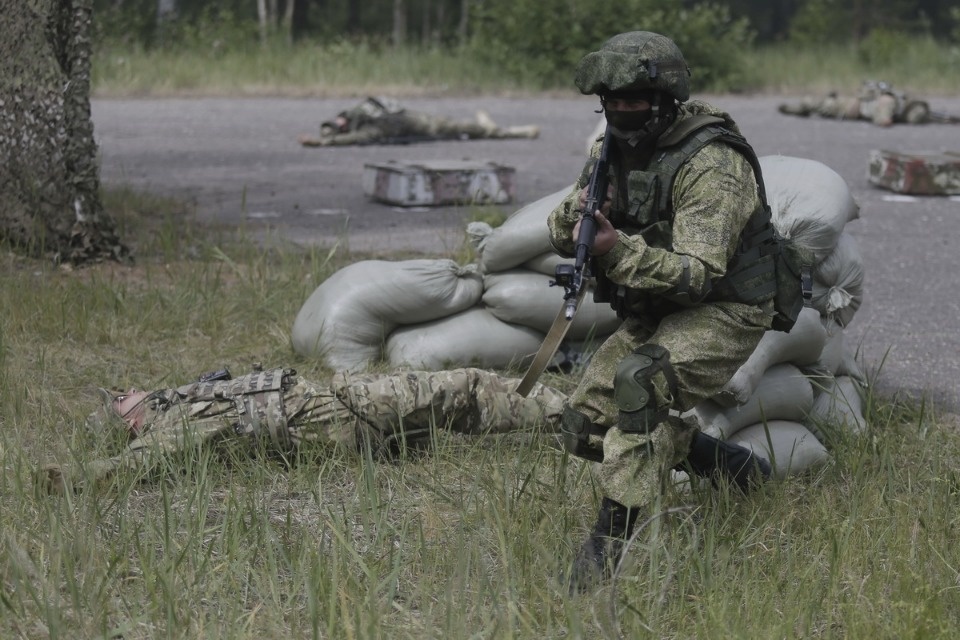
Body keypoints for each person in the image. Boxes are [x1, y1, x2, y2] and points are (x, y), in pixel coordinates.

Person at [547, 31, 806, 592]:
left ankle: (606, 550)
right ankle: (720, 461)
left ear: (665, 98)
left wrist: (617, 250)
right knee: (583, 425)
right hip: (658, 309)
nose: (622, 111)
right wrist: (579, 219)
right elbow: (562, 227)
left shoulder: (712, 162)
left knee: (638, 385)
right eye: (612, 102)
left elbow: (697, 275)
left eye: (634, 101)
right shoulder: (609, 151)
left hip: (727, 309)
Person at [36, 365, 567, 493]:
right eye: (121, 398)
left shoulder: (188, 404)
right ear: (130, 420)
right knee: (465, 389)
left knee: (455, 407)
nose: (130, 389)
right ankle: (574, 417)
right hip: (346, 413)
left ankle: (561, 417)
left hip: (341, 410)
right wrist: (69, 478)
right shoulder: (172, 427)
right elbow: (133, 465)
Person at [297, 96, 540, 147]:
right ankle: (511, 132)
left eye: (336, 121)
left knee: (456, 124)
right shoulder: (368, 129)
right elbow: (352, 139)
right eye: (337, 126)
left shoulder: (357, 110)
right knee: (459, 127)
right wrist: (322, 142)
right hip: (423, 125)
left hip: (417, 115)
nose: (339, 121)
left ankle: (489, 128)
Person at [778, 81, 932, 127]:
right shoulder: (889, 101)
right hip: (854, 107)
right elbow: (883, 120)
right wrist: (889, 119)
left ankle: (805, 106)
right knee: (815, 103)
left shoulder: (894, 102)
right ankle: (797, 108)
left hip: (856, 108)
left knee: (824, 105)